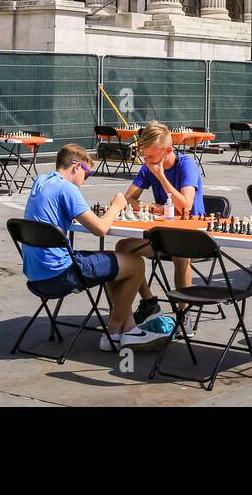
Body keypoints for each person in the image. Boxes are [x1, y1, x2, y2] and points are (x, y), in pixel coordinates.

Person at [21, 144, 162, 351]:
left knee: (115, 262)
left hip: (35, 276)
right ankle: (112, 333)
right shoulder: (67, 188)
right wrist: (116, 207)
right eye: (87, 175)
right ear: (76, 167)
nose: (85, 181)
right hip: (60, 275)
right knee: (136, 264)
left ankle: (129, 328)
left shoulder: (41, 181)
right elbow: (100, 229)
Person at [116, 121, 205, 323]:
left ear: (168, 150)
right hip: (162, 234)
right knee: (123, 247)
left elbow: (185, 207)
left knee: (180, 254)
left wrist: (162, 178)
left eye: (151, 157)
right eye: (144, 156)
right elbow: (127, 200)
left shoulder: (186, 165)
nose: (146, 161)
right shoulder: (149, 165)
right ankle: (149, 302)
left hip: (192, 235)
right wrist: (159, 208)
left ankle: (185, 312)